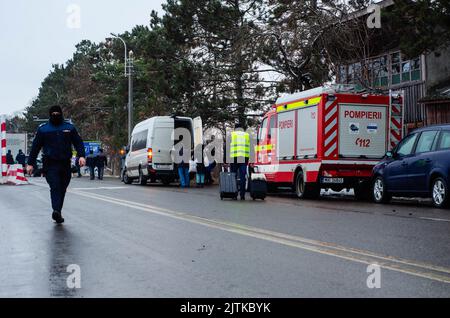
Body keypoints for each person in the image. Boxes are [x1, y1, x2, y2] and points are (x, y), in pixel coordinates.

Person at [27, 105, 86, 224]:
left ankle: (58, 211)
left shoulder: (69, 128)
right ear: (50, 115)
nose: (55, 115)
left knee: (62, 187)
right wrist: (30, 163)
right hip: (50, 164)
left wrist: (82, 156)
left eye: (57, 113)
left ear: (61, 114)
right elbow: (35, 147)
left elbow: (78, 142)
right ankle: (56, 210)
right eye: (53, 113)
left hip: (65, 164)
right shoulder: (43, 129)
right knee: (55, 186)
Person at [230, 123, 250, 200]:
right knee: (242, 177)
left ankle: (234, 195)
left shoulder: (232, 135)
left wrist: (225, 160)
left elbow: (226, 147)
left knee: (234, 176)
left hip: (234, 158)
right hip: (244, 158)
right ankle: (242, 195)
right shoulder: (247, 135)